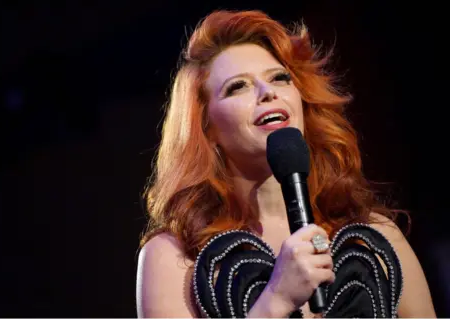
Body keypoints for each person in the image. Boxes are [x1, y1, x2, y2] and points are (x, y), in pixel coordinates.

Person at [136, 9, 436, 318]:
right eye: (238, 86)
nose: (268, 93)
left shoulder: (376, 238)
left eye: (280, 78)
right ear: (206, 128)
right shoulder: (173, 257)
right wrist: (276, 299)